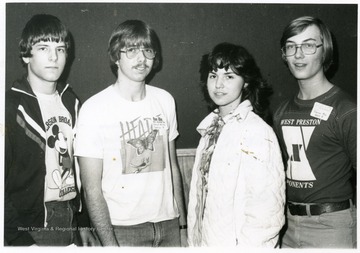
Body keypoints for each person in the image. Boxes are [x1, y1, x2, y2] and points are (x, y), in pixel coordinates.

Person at [74, 19, 187, 247]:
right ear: (116, 56)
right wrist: (110, 244)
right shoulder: (94, 109)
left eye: (147, 50)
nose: (141, 59)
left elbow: (173, 166)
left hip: (169, 225)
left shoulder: (165, 100)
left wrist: (183, 226)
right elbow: (92, 189)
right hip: (122, 230)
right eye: (132, 50)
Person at [4, 14, 96, 246]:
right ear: (26, 54)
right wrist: (19, 239)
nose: (54, 57)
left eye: (61, 48)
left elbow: (78, 168)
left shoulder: (72, 102)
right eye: (43, 47)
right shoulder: (10, 107)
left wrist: (82, 222)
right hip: (32, 224)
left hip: (70, 217)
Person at [187, 42, 286, 247]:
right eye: (213, 75)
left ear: (246, 82)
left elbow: (267, 213)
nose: (219, 84)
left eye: (229, 76)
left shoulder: (257, 131)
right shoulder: (209, 131)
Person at [273, 16, 357, 248]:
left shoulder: (347, 110)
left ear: (325, 51)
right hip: (287, 226)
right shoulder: (281, 112)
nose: (298, 54)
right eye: (291, 46)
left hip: (332, 227)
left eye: (308, 45)